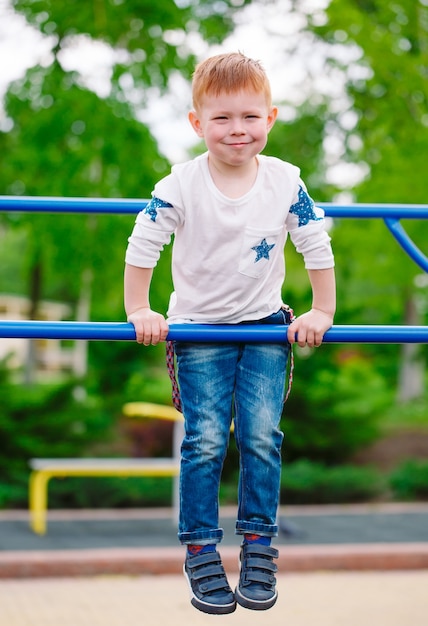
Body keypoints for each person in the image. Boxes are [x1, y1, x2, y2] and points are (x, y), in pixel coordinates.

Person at [124, 52, 335, 615]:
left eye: (249, 117)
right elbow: (143, 243)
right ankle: (200, 549)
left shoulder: (286, 180)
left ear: (270, 117)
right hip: (198, 329)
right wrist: (139, 309)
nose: (236, 131)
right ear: (198, 123)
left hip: (265, 328)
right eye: (221, 119)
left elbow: (316, 241)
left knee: (262, 435)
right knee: (207, 439)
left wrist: (323, 311)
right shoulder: (180, 183)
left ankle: (260, 547)